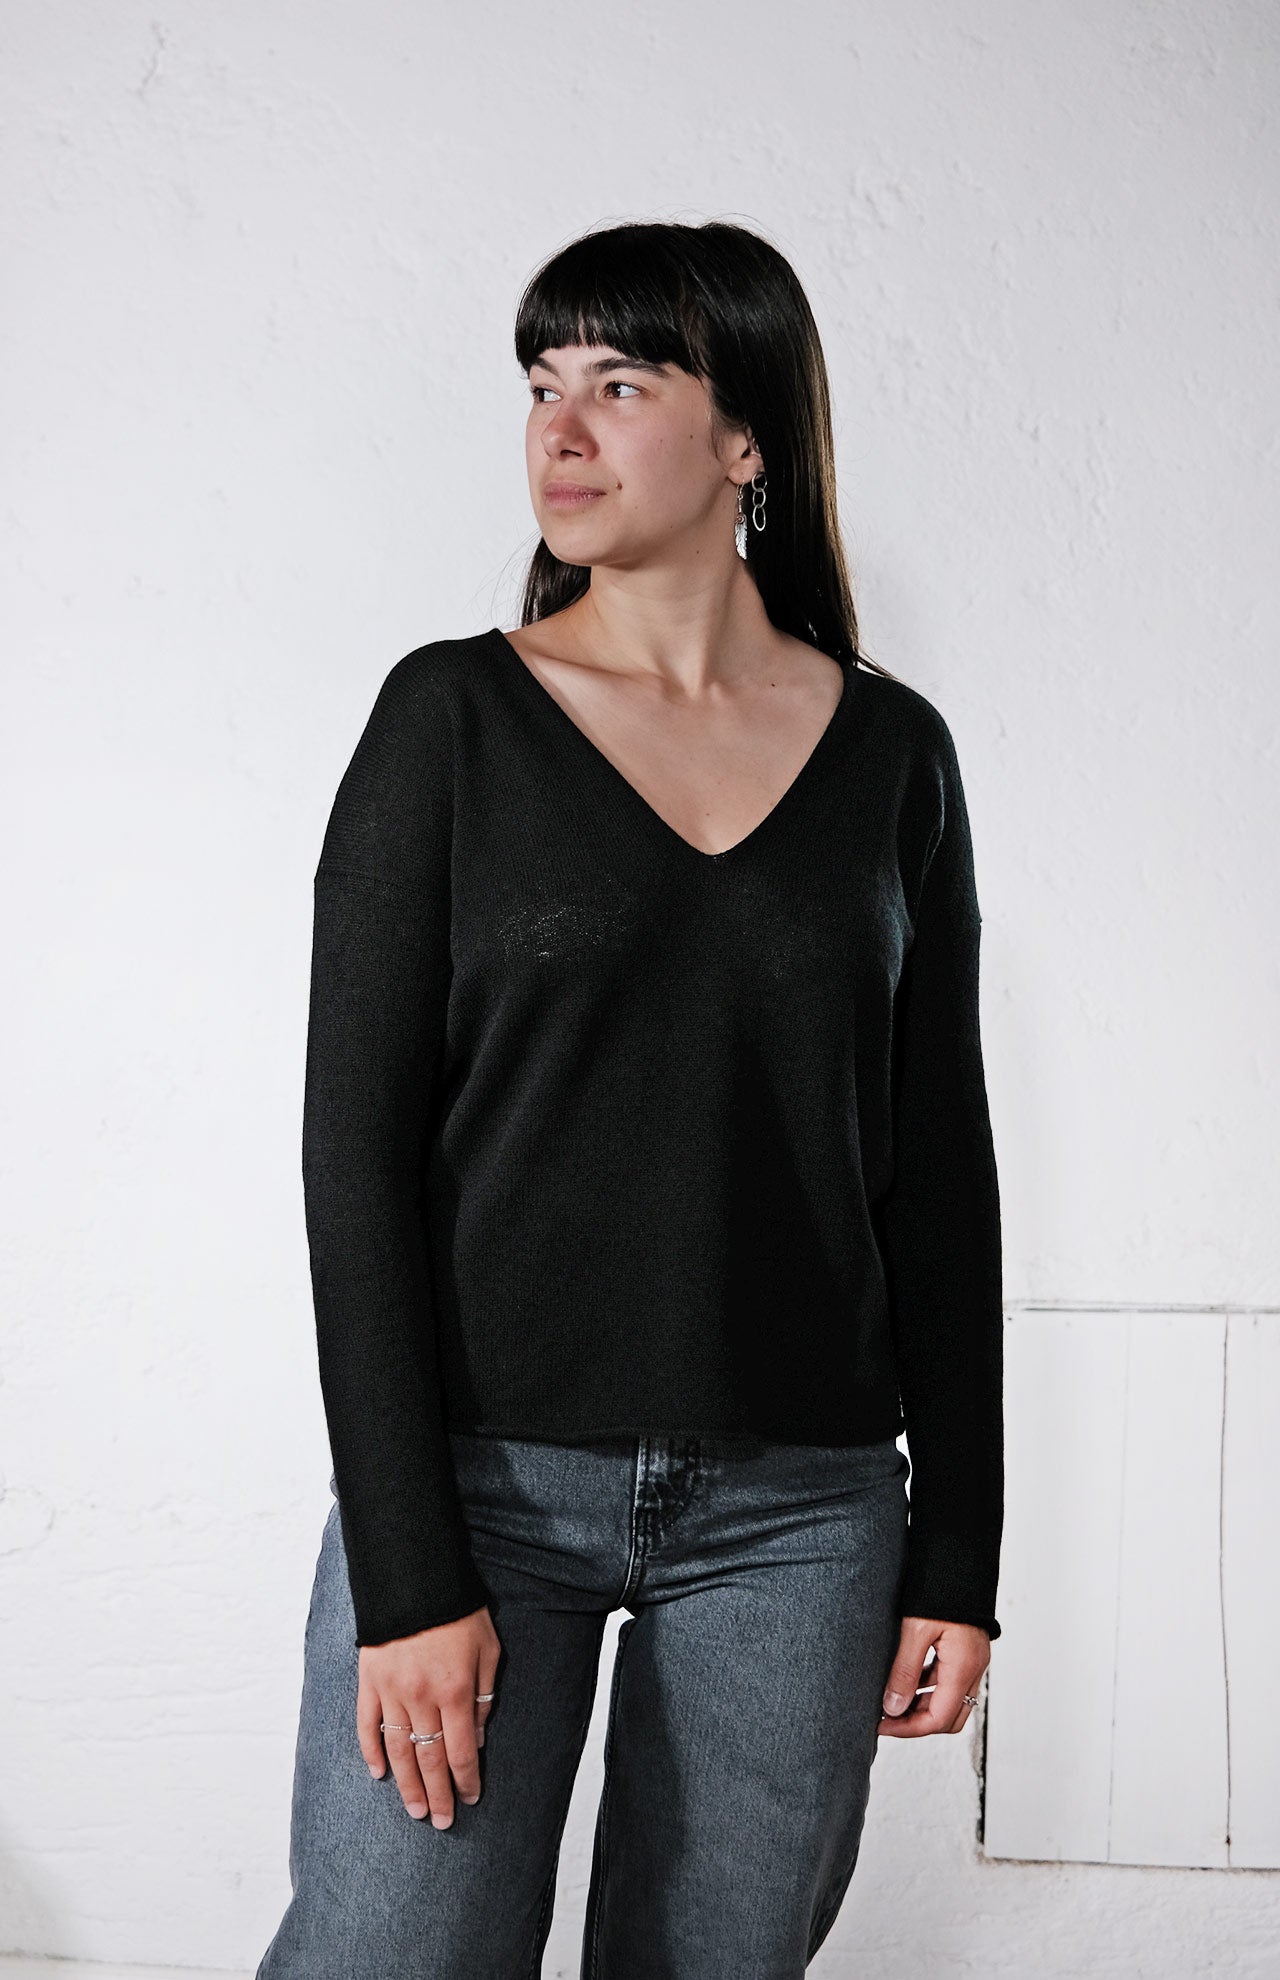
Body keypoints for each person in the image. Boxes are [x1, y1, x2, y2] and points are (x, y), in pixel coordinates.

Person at [255, 217, 1004, 1979]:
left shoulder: (894, 756)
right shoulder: (450, 720)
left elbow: (940, 1175)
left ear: (748, 437)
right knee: (387, 1953)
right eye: (541, 385)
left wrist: (958, 1552)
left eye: (620, 382)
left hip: (803, 1516)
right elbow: (353, 1162)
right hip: (482, 1488)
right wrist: (408, 1573)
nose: (561, 430)